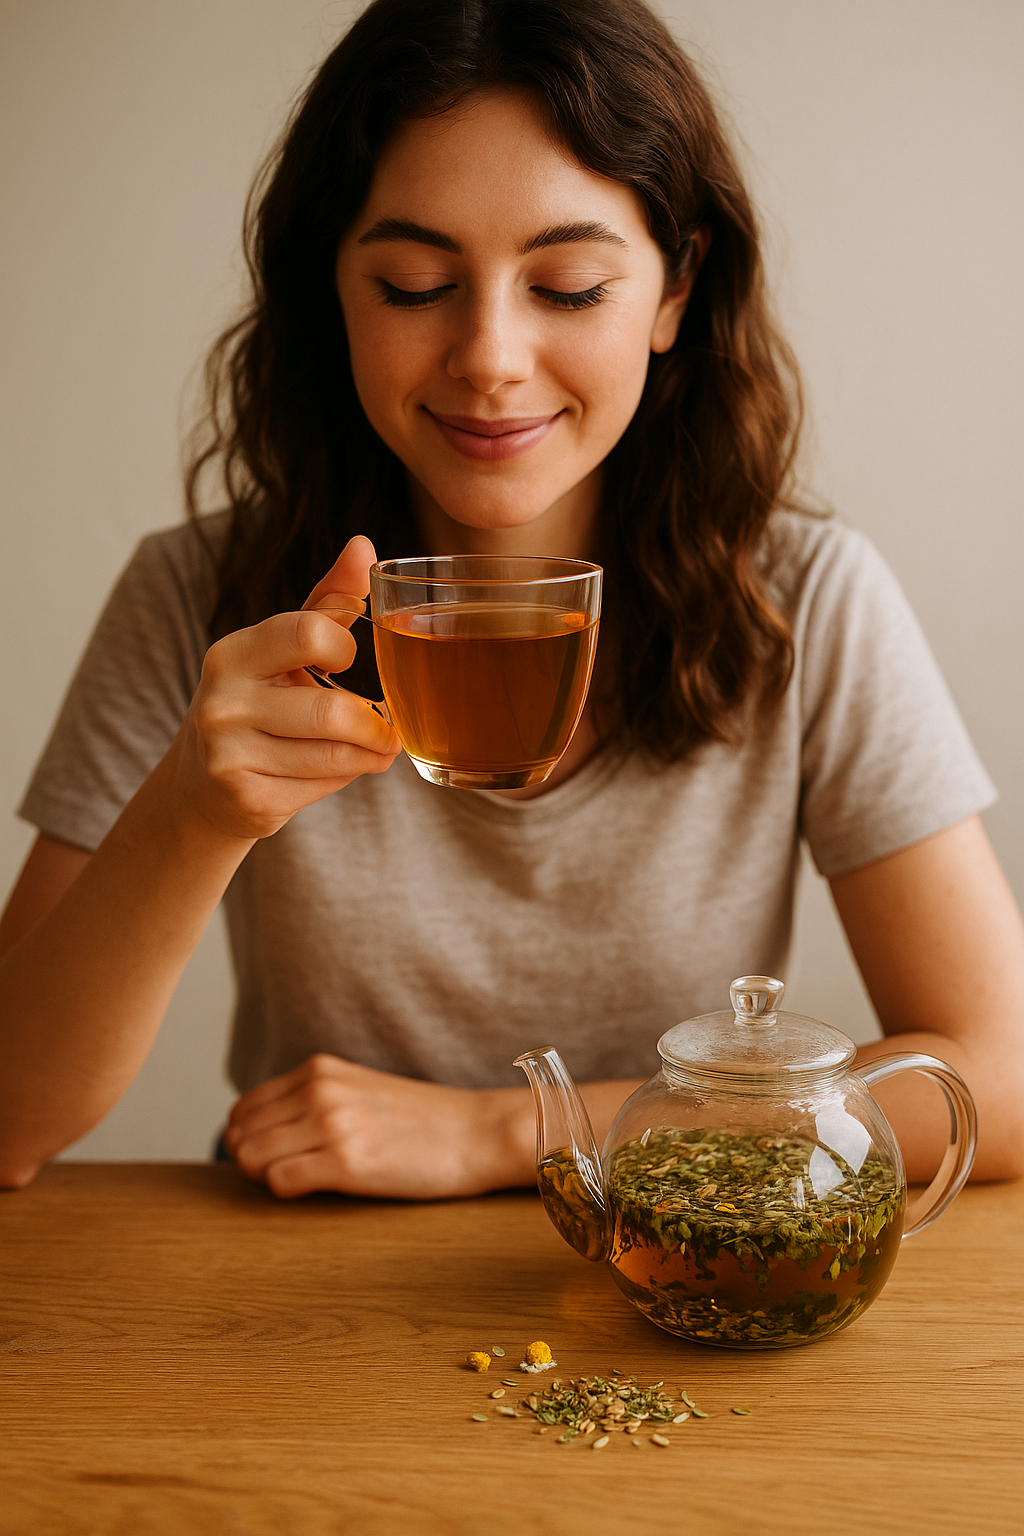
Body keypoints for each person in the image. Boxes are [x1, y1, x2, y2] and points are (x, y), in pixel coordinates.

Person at [1, 0, 1022, 1197]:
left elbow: (1000, 1083)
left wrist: (506, 1131)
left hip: (670, 1276)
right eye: (413, 284)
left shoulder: (805, 601)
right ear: (332, 288)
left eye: (571, 288)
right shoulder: (199, 598)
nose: (488, 357)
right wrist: (190, 815)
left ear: (676, 291)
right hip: (303, 1277)